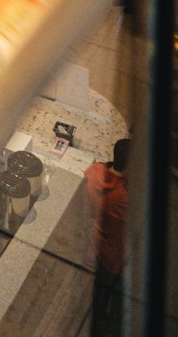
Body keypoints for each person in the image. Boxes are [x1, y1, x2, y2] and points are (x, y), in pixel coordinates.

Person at [85, 138, 130, 337]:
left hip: (98, 246)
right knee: (117, 301)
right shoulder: (124, 197)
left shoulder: (95, 172)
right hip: (117, 259)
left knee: (99, 294)